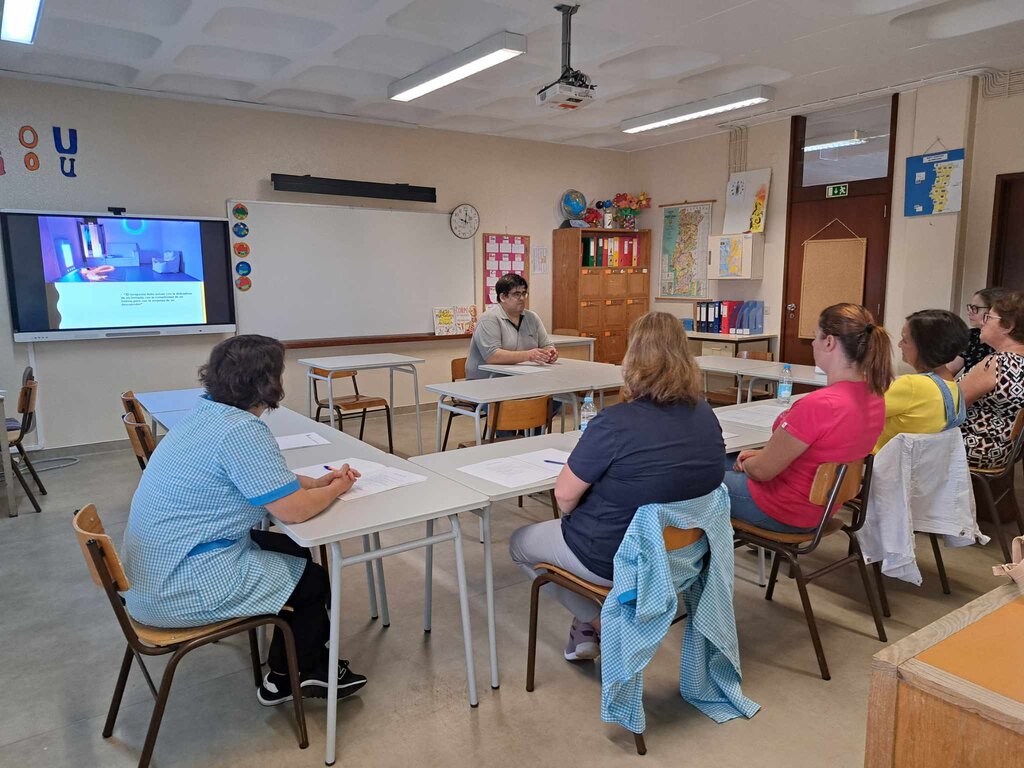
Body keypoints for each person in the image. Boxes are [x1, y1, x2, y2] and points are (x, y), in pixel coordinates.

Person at [121, 334, 368, 706]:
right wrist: (337, 488)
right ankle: (295, 675)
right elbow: (295, 510)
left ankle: (299, 655)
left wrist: (315, 483)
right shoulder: (242, 431)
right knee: (314, 580)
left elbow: (261, 478)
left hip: (150, 575)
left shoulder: (204, 415)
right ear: (269, 382)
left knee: (295, 551)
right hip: (178, 587)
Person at [509, 312, 724, 660]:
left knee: (520, 543)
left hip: (613, 557)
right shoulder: (705, 414)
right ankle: (585, 629)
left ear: (633, 358)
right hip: (683, 558)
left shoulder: (614, 422)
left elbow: (564, 498)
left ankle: (597, 622)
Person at [725, 304, 893, 533]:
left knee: (698, 476)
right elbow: (816, 455)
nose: (813, 344)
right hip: (823, 507)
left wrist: (748, 463)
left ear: (829, 342)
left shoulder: (819, 405)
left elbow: (762, 471)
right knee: (721, 462)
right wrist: (761, 457)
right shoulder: (874, 397)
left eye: (815, 337)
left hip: (784, 509)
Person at [874, 309, 969, 453]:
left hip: (877, 461)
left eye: (905, 340)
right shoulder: (953, 389)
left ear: (924, 346)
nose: (899, 345)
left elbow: (857, 412)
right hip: (917, 464)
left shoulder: (912, 385)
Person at [959, 290, 1024, 469]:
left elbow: (951, 406)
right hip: (1005, 449)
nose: (983, 322)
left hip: (977, 446)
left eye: (988, 317)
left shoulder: (999, 363)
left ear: (1008, 326)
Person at [466, 273, 557, 380]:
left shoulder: (532, 317)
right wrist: (528, 355)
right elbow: (492, 356)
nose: (522, 298)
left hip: (522, 377)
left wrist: (550, 352)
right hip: (487, 381)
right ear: (503, 297)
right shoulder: (489, 319)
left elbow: (546, 345)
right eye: (516, 294)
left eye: (524, 293)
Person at [949, 287, 1003, 376]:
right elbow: (950, 370)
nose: (969, 312)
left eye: (975, 308)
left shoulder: (1006, 342)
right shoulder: (971, 335)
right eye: (970, 307)